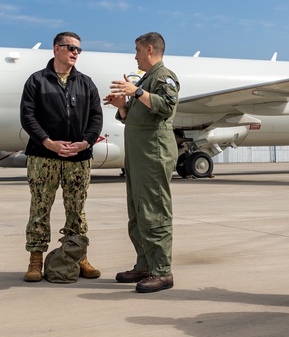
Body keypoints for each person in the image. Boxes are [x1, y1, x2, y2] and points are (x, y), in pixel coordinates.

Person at [19, 32, 104, 282]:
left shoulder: (86, 83)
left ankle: (79, 257)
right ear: (57, 49)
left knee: (77, 210)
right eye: (71, 48)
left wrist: (85, 142)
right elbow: (28, 117)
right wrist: (48, 143)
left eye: (79, 49)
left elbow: (96, 117)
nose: (76, 52)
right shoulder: (37, 81)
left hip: (78, 158)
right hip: (43, 158)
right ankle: (35, 260)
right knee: (40, 209)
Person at [104, 32, 180, 293]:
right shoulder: (147, 79)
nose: (134, 55)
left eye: (137, 50)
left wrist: (136, 91)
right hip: (139, 157)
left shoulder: (163, 77)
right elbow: (135, 118)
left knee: (154, 212)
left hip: (153, 155)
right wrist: (122, 105)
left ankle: (162, 271)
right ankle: (145, 265)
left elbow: (167, 107)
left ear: (150, 49)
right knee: (137, 213)